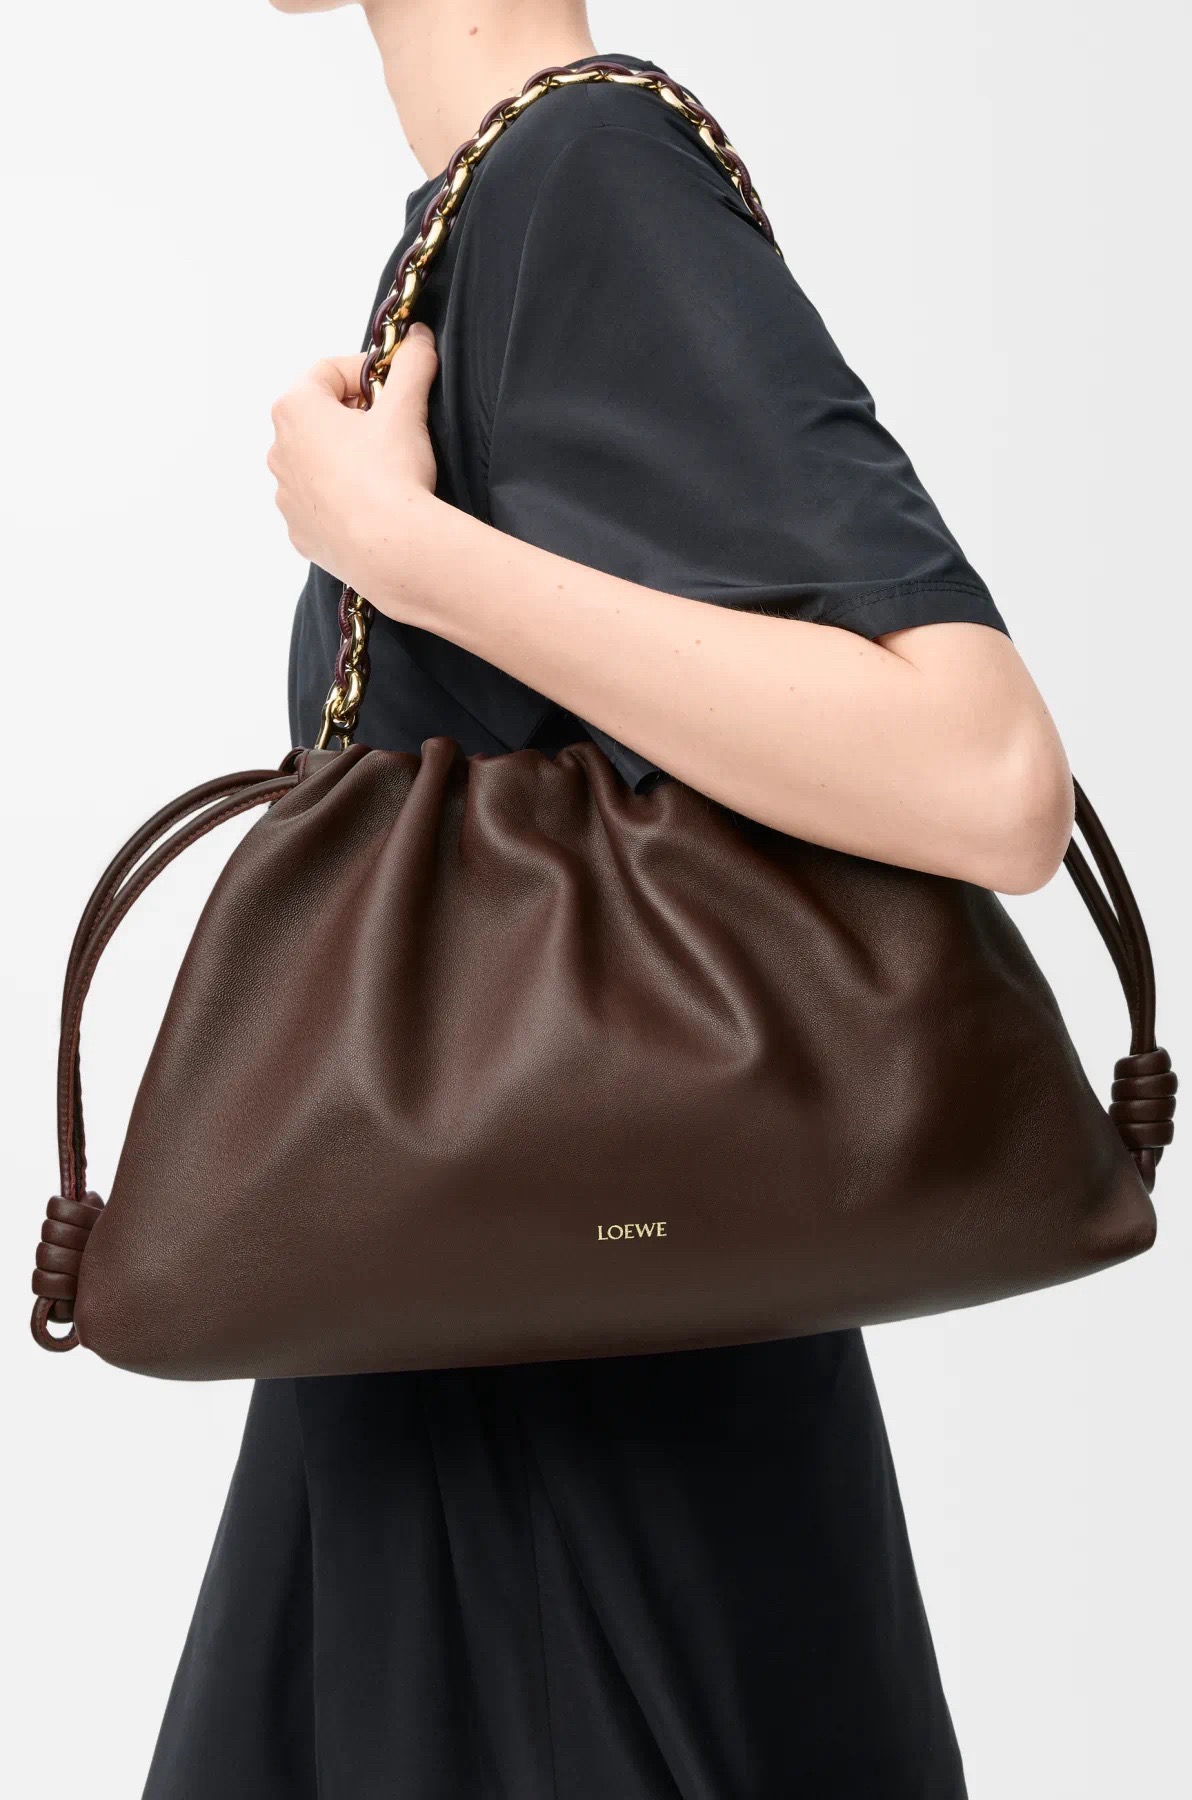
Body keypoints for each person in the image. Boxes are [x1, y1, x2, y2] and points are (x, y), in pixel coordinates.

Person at [145, 3, 1073, 1796]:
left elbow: (986, 772)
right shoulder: (494, 203)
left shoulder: (587, 174)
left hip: (574, 1459)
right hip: (465, 1376)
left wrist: (405, 553)